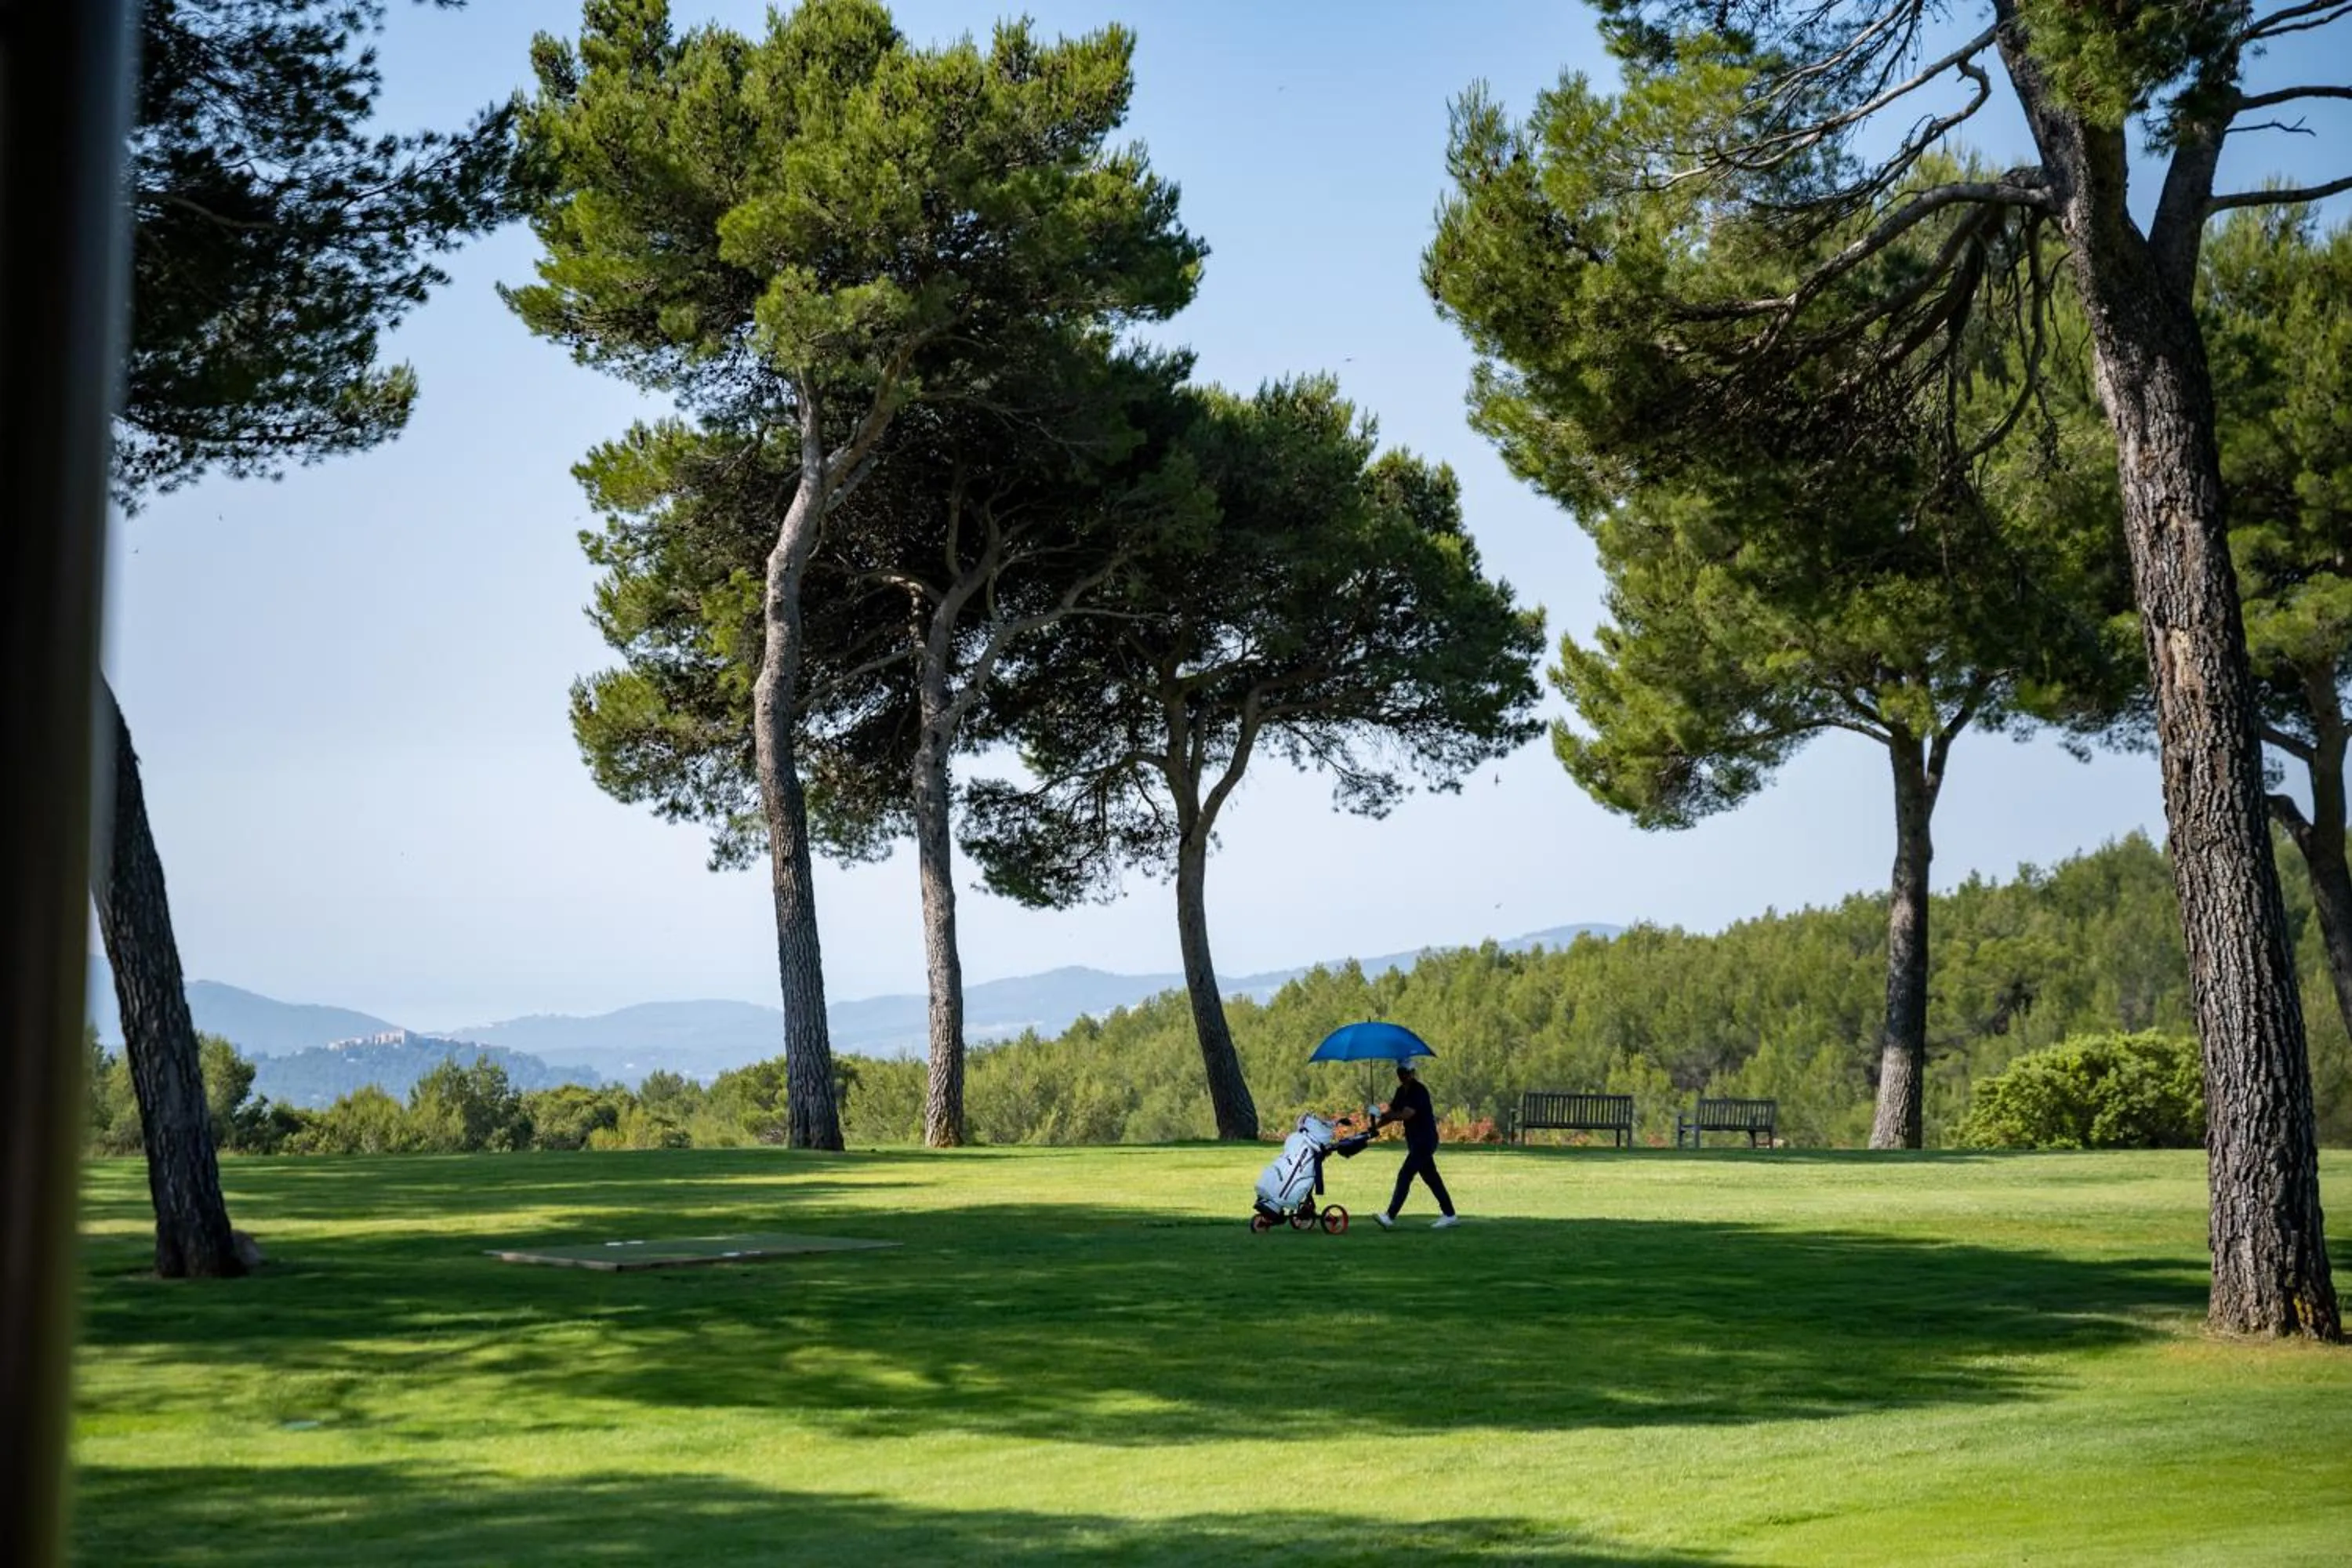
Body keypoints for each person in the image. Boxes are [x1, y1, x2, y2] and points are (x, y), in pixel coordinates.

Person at [1367, 1059, 1458, 1229]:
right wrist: (1374, 1126)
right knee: (1431, 1178)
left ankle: (1390, 1216)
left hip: (1426, 1140)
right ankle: (1450, 1214)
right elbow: (1392, 1114)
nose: (1402, 1076)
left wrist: (1384, 1112)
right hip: (1415, 1141)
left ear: (1412, 1073)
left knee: (1405, 1174)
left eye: (1405, 1073)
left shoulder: (1419, 1091)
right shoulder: (1401, 1091)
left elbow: (1405, 1115)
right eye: (1400, 1072)